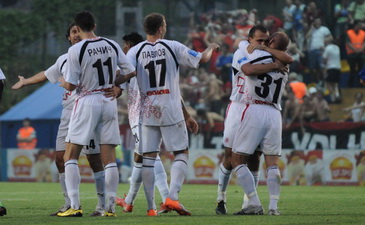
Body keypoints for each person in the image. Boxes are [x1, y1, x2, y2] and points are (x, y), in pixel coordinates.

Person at [11, 22, 114, 217]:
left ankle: (101, 205)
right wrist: (25, 82)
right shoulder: (64, 59)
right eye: (72, 32)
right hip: (67, 114)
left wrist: (117, 88)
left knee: (94, 159)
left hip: (87, 110)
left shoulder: (92, 54)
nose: (76, 35)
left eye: (78, 31)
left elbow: (113, 73)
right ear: (68, 37)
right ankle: (69, 203)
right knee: (60, 159)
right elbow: (46, 74)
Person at [125, 12, 219, 216]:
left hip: (147, 110)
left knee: (148, 158)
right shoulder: (172, 46)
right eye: (165, 25)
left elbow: (123, 73)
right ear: (160, 29)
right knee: (181, 153)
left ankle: (150, 207)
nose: (166, 28)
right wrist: (211, 47)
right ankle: (172, 197)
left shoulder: (135, 51)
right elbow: (202, 58)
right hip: (170, 107)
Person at [58, 11, 136, 217]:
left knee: (70, 155)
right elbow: (130, 71)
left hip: (87, 100)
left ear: (78, 26)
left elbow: (72, 84)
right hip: (108, 100)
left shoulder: (77, 50)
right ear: (94, 24)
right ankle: (109, 207)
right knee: (109, 157)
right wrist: (115, 85)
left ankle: (74, 205)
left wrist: (62, 82)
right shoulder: (111, 44)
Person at [216, 25, 292, 215]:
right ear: (251, 39)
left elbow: (249, 69)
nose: (263, 43)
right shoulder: (282, 63)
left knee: (242, 159)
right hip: (267, 111)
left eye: (267, 41)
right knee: (269, 161)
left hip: (252, 108)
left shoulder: (255, 56)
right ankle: (271, 206)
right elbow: (288, 58)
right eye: (260, 40)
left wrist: (252, 46)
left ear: (272, 43)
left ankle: (252, 202)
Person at [115, 32, 176, 215]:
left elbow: (118, 86)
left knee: (150, 157)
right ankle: (128, 201)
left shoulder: (130, 61)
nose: (123, 49)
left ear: (130, 45)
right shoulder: (150, 60)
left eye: (124, 45)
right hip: (158, 110)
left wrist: (111, 89)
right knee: (139, 158)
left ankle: (166, 198)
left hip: (141, 114)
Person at [345, 20, 365, 88]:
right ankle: (350, 86)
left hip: (361, 55)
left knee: (361, 71)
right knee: (352, 71)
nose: (358, 27)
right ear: (354, 26)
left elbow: (364, 43)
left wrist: (360, 50)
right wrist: (356, 50)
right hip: (352, 54)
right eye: (357, 25)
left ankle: (361, 85)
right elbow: (348, 43)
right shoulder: (349, 33)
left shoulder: (363, 33)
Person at [322, 37, 341, 103]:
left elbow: (324, 60)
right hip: (338, 67)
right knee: (335, 83)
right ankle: (337, 94)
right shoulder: (337, 47)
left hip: (330, 68)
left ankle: (333, 97)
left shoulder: (327, 48)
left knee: (328, 83)